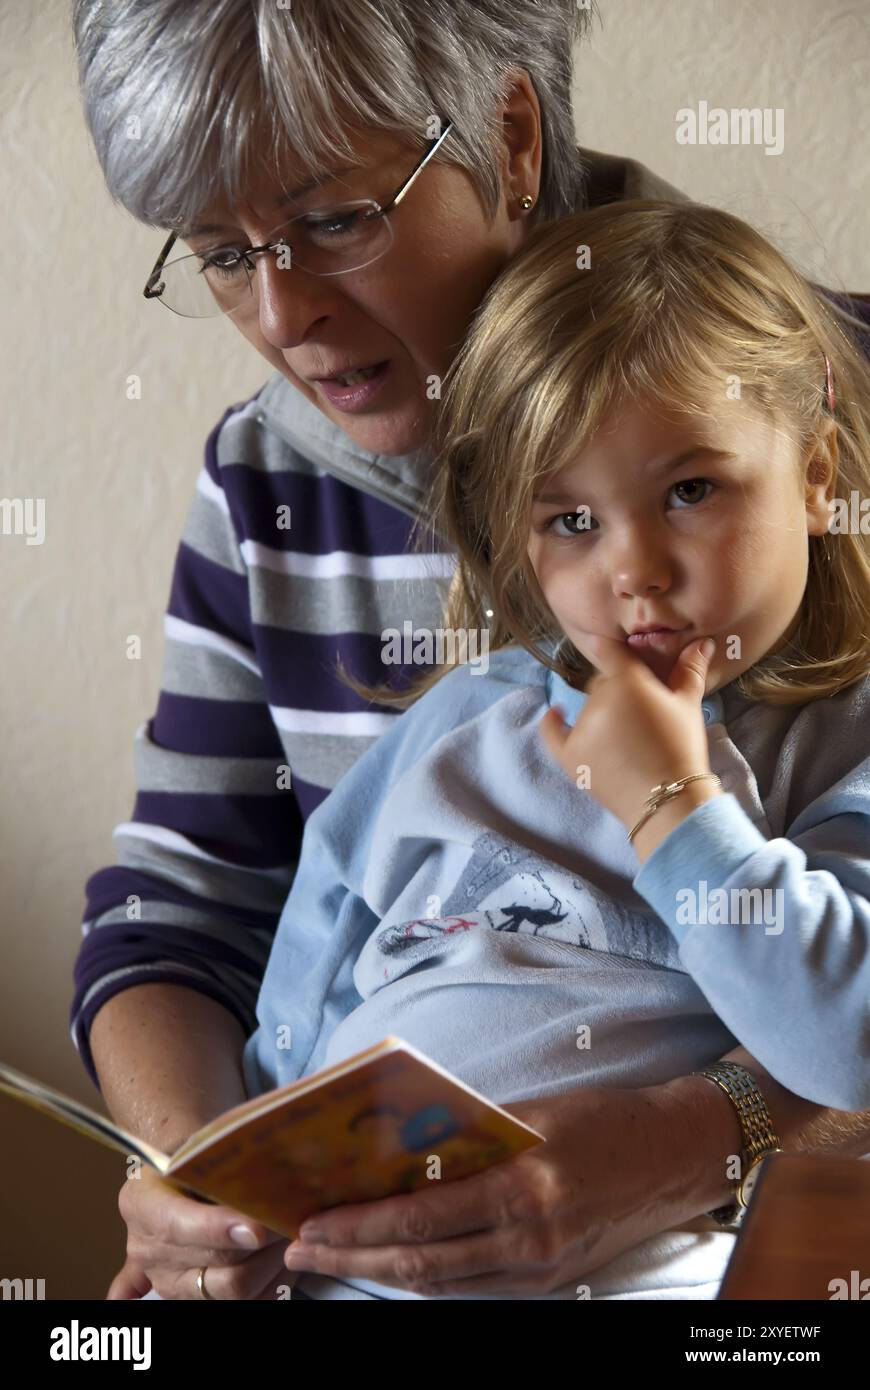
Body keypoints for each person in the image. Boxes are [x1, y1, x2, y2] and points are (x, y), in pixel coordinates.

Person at [67, 1, 870, 1301]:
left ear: (506, 134)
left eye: (333, 219)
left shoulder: (812, 393)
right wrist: (207, 1180)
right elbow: (187, 912)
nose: (281, 315)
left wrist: (707, 1135)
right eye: (220, 253)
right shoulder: (266, 480)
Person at [232, 198, 870, 1299]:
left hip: (639, 1262)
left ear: (816, 476)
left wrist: (677, 809)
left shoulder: (839, 741)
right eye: (569, 519)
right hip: (354, 1255)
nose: (635, 571)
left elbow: (845, 1039)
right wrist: (234, 1194)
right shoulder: (463, 721)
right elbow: (312, 966)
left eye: (689, 490)